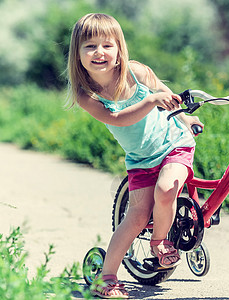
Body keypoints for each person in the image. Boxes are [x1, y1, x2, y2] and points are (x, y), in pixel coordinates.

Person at [67, 13, 203, 299]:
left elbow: (167, 96)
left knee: (166, 190)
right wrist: (150, 100)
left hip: (173, 144)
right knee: (136, 216)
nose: (99, 52)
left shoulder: (136, 72)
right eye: (89, 46)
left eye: (107, 45)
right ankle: (107, 277)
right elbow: (117, 118)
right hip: (141, 159)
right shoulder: (86, 94)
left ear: (119, 50)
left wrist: (186, 121)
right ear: (77, 54)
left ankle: (159, 242)